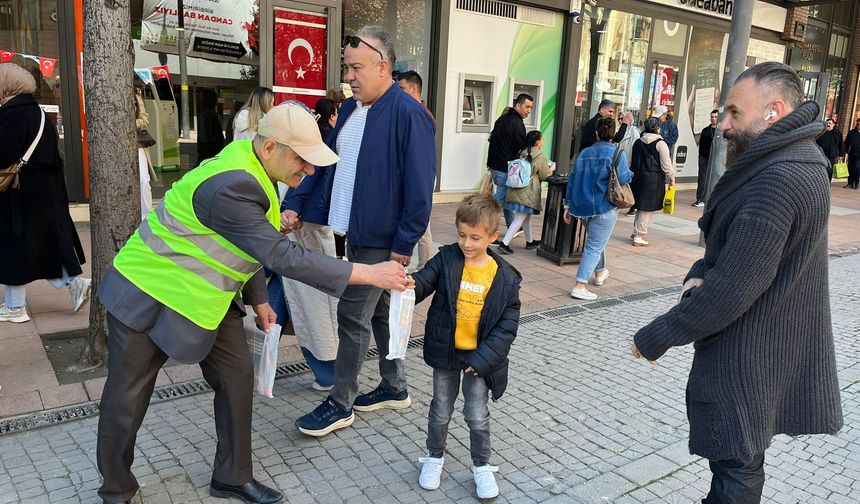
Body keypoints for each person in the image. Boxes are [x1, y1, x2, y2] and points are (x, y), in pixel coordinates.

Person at [95, 102, 409, 504]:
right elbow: (281, 255)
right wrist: (370, 274)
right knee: (126, 397)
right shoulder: (233, 183)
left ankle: (231, 476)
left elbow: (243, 243)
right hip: (146, 293)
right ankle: (116, 491)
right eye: (303, 159)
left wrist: (258, 298)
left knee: (237, 377)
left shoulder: (255, 170)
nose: (309, 171)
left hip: (205, 298)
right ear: (270, 147)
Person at [632, 62, 843, 504]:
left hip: (750, 354)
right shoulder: (792, 161)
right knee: (741, 461)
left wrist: (658, 335)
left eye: (734, 113)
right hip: (764, 345)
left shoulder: (779, 177)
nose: (723, 124)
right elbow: (732, 257)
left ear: (774, 111)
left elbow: (733, 286)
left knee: (737, 466)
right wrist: (697, 275)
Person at [288, 26, 436, 437]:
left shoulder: (410, 115)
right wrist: (296, 203)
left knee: (352, 314)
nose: (349, 77)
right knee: (379, 312)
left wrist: (404, 245)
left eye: (356, 68)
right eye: (347, 68)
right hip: (355, 230)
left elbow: (420, 188)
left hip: (383, 238)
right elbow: (326, 162)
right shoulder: (352, 110)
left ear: (382, 66)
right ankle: (394, 385)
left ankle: (341, 402)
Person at [410, 192, 520, 501]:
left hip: (478, 360)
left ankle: (481, 465)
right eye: (461, 235)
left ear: (493, 236)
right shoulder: (447, 258)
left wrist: (483, 360)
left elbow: (506, 328)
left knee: (476, 415)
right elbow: (423, 280)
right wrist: (408, 285)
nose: (466, 243)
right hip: (446, 353)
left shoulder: (505, 279)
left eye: (475, 237)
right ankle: (434, 457)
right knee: (440, 410)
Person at [0, 63, 91, 324]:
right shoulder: (37, 112)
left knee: (14, 245)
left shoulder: (10, 114)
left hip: (19, 193)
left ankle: (15, 307)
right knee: (38, 244)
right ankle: (74, 283)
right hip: (45, 190)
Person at [563, 117, 632, 301]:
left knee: (596, 240)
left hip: (583, 207)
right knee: (594, 245)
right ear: (613, 134)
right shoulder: (617, 153)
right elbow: (624, 179)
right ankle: (580, 284)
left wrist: (567, 205)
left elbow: (573, 179)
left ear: (596, 133)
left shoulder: (585, 153)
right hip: (605, 207)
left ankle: (600, 273)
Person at [398, 70, 436, 269]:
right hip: (413, 176)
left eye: (402, 88)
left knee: (422, 224)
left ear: (414, 89)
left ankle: (425, 265)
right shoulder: (409, 111)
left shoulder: (421, 115)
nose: (398, 92)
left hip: (420, 177)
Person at [496, 130, 555, 254]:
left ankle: (529, 241)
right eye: (542, 139)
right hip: (528, 193)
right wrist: (551, 169)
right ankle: (504, 243)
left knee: (526, 217)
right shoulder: (540, 156)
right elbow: (544, 176)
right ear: (537, 142)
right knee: (519, 218)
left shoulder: (521, 153)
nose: (543, 142)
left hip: (515, 189)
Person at [486, 93, 533, 227]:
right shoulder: (517, 124)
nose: (529, 110)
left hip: (496, 166)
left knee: (506, 198)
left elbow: (492, 142)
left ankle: (512, 225)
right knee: (497, 203)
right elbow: (521, 148)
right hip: (505, 168)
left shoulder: (501, 119)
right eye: (527, 107)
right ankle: (486, 228)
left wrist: (489, 164)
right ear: (518, 105)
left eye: (531, 107)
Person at [630, 117, 675, 247]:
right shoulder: (661, 144)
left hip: (637, 177)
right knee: (647, 208)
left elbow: (630, 160)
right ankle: (639, 236)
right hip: (653, 180)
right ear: (658, 128)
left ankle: (635, 232)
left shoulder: (637, 142)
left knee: (640, 206)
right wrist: (672, 178)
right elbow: (666, 164)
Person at [134, 81, 154, 222]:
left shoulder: (136, 95)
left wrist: (130, 124)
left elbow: (144, 118)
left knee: (143, 180)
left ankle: (145, 218)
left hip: (137, 144)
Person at [693, 109, 719, 207]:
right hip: (704, 158)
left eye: (716, 117)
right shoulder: (705, 130)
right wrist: (700, 158)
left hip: (715, 159)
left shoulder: (720, 131)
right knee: (702, 179)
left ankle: (711, 199)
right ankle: (700, 199)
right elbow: (701, 146)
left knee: (714, 178)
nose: (713, 119)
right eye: (712, 117)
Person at [196, 89, 225, 164]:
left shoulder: (207, 114)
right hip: (210, 147)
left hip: (207, 147)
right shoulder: (210, 114)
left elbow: (211, 133)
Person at [846, 119, 860, 189]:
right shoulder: (851, 133)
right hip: (852, 153)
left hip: (859, 155)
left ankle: (856, 182)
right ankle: (850, 183)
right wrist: (844, 151)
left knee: (857, 168)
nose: (859, 125)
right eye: (858, 124)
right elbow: (846, 142)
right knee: (850, 168)